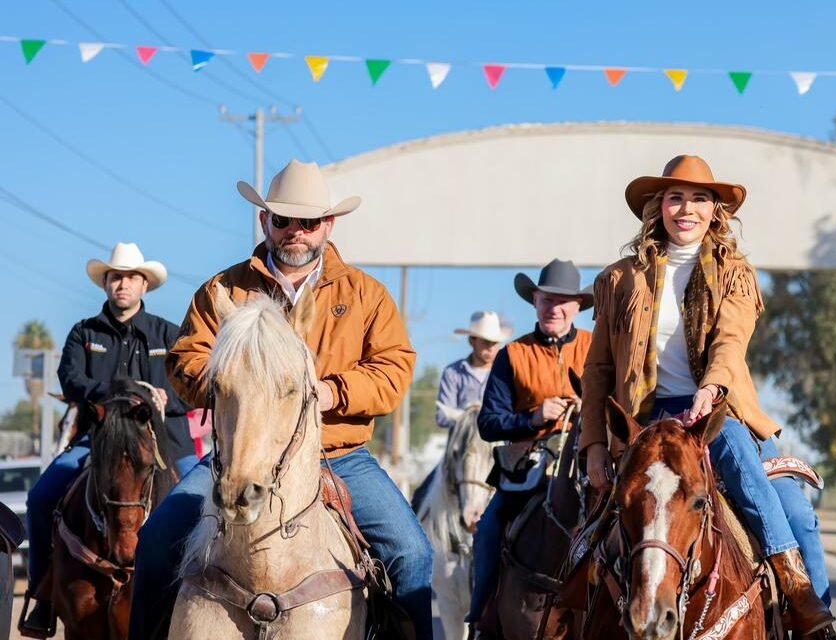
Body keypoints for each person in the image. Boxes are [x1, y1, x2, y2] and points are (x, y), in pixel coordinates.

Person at [128, 160, 434, 639]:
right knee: (154, 540)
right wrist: (238, 382)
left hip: (340, 454)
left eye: (308, 222)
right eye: (284, 220)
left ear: (328, 226)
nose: (296, 231)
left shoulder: (366, 295)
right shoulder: (223, 290)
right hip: (239, 451)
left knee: (412, 554)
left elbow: (393, 370)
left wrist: (330, 392)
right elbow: (186, 358)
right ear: (264, 220)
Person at [579, 155, 835, 639]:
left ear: (715, 210)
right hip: (641, 419)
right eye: (675, 198)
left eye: (699, 199)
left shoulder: (735, 272)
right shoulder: (618, 279)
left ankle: (802, 598)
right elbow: (598, 370)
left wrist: (712, 387)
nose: (687, 209)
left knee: (796, 511)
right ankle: (559, 614)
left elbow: (730, 341)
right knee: (584, 529)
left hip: (715, 410)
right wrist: (593, 443)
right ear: (658, 207)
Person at [19, 242, 196, 638]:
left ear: (145, 285)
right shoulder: (84, 333)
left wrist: (164, 398)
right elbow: (71, 379)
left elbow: (192, 386)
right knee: (41, 498)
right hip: (96, 441)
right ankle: (42, 595)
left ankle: (199, 598)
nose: (123, 284)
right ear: (106, 284)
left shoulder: (169, 335)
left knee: (200, 504)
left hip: (164, 444)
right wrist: (121, 392)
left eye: (131, 278)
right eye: (116, 277)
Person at [469, 259, 593, 637]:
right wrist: (533, 418)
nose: (554, 308)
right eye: (546, 300)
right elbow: (489, 423)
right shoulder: (512, 354)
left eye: (562, 301)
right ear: (535, 302)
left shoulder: (596, 348)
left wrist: (588, 409)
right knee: (489, 528)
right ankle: (483, 616)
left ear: (577, 307)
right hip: (528, 467)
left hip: (588, 459)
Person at [437, 311, 510, 429]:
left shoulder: (506, 374)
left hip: (496, 437)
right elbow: (442, 417)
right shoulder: (452, 373)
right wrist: (470, 413)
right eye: (486, 342)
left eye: (495, 343)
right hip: (462, 437)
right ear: (472, 341)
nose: (491, 348)